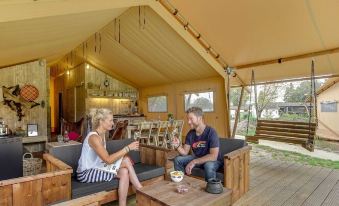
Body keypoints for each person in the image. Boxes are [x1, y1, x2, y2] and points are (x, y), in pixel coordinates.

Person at [77, 108, 142, 206]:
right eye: (110, 120)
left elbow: (105, 160)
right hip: (86, 173)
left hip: (97, 167)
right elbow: (108, 160)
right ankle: (141, 190)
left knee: (124, 172)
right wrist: (128, 148)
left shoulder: (102, 135)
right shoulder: (93, 137)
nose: (113, 123)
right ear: (101, 121)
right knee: (126, 161)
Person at [172, 107, 223, 182]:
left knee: (208, 165)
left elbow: (213, 156)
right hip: (198, 158)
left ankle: (211, 188)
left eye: (191, 119)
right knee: (178, 160)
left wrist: (194, 162)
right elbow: (185, 152)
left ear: (199, 118)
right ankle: (182, 183)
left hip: (213, 161)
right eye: (188, 119)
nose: (188, 122)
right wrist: (177, 146)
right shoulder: (191, 133)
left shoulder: (211, 132)